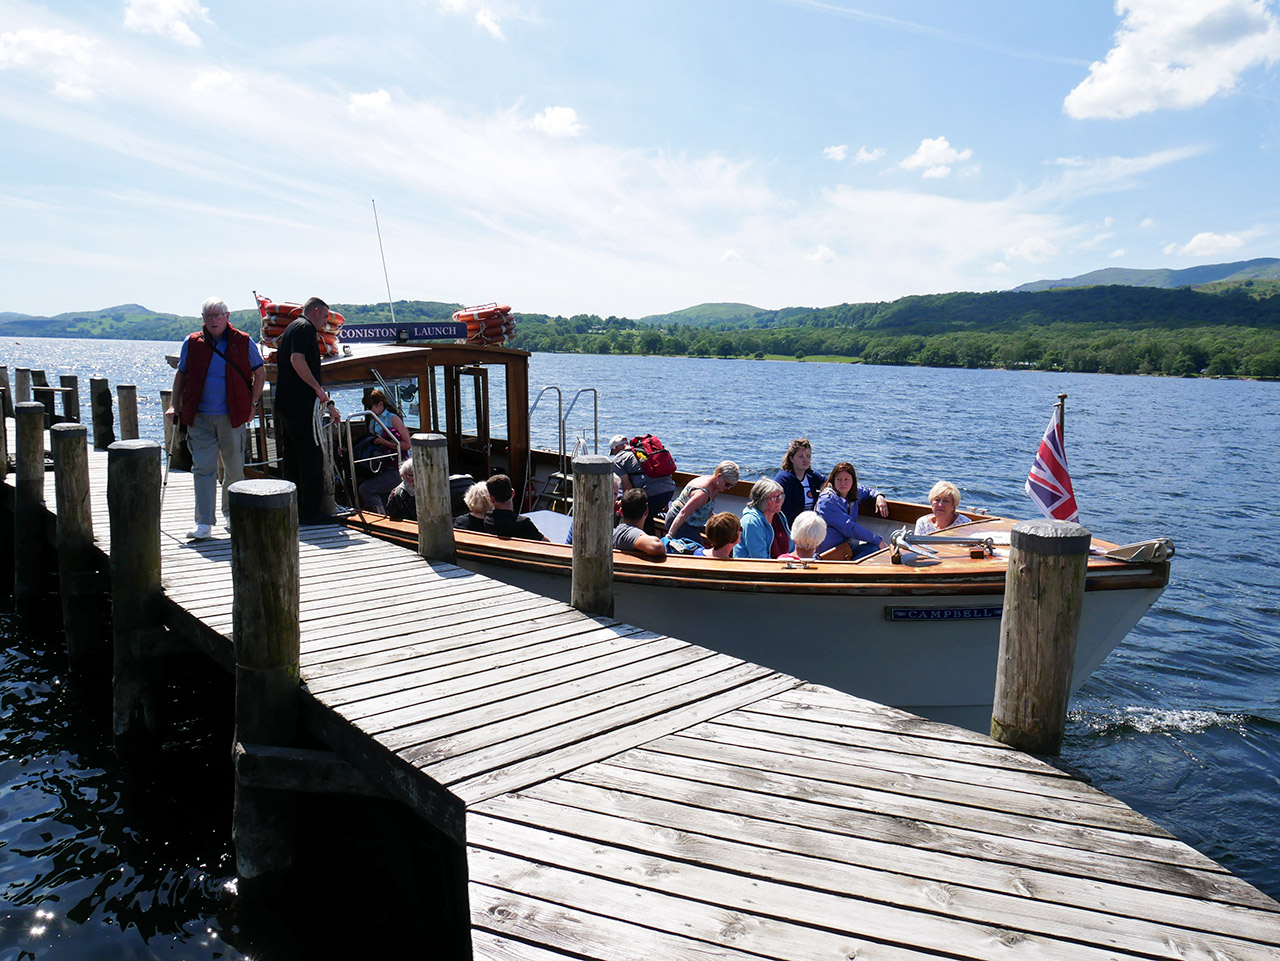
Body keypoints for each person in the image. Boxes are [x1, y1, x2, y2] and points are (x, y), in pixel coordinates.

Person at [165, 297, 265, 540]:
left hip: (232, 416)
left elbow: (260, 371)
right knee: (203, 469)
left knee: (233, 470)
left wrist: (252, 403)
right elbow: (182, 374)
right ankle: (204, 522)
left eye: (218, 315)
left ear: (227, 316)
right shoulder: (192, 342)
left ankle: (231, 514)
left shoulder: (243, 341)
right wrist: (173, 405)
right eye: (208, 316)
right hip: (199, 417)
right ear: (203, 319)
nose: (213, 320)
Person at [275, 296, 341, 524]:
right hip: (300, 404)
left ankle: (294, 507)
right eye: (324, 317)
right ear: (314, 312)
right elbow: (297, 360)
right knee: (310, 456)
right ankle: (310, 512)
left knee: (293, 457)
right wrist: (317, 389)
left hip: (288, 402)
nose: (325, 323)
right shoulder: (304, 328)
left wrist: (327, 402)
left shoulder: (293, 329)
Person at [815, 461, 889, 559]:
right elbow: (849, 527)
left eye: (847, 479)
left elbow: (867, 491)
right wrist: (878, 540)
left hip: (844, 547)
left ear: (853, 481)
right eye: (839, 479)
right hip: (826, 553)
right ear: (833, 480)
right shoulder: (826, 501)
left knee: (873, 549)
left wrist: (879, 496)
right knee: (876, 546)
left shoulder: (852, 493)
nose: (843, 483)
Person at [357, 388, 411, 512]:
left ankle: (381, 519)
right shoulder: (373, 421)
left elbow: (407, 445)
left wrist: (384, 442)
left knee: (366, 489)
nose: (368, 410)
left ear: (380, 404)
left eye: (370, 407)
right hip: (381, 467)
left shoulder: (393, 419)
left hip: (396, 466)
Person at [610, 434, 676, 536]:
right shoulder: (643, 452)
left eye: (612, 452)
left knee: (639, 517)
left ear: (615, 448)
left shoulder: (619, 459)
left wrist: (623, 504)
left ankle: (644, 545)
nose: (613, 454)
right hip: (669, 491)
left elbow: (628, 489)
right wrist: (665, 504)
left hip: (652, 494)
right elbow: (661, 475)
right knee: (648, 514)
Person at [664, 460, 740, 544]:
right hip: (679, 522)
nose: (729, 488)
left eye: (732, 486)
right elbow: (683, 513)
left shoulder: (716, 484)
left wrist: (728, 524)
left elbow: (706, 509)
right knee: (698, 548)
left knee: (719, 536)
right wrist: (670, 536)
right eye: (727, 484)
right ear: (719, 476)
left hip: (694, 522)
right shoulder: (702, 494)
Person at [734, 477, 793, 559]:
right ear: (762, 500)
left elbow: (791, 547)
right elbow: (759, 558)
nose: (779, 501)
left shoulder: (778, 516)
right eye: (774, 498)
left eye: (781, 496)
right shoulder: (751, 522)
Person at [774, 438, 825, 525]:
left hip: (810, 523)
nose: (806, 460)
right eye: (801, 457)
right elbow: (786, 513)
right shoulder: (784, 479)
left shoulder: (810, 475)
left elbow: (829, 483)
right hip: (792, 527)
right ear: (791, 458)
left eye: (808, 456)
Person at [482, 474, 547, 541]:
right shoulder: (524, 524)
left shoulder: (488, 519)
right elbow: (547, 544)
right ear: (513, 493)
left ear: (491, 499)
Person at [613, 488, 666, 557]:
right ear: (646, 512)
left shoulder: (618, 531)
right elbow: (657, 547)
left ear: (621, 512)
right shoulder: (629, 532)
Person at [385, 457, 417, 521]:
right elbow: (397, 519)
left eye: (417, 474)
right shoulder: (397, 495)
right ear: (403, 476)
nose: (415, 478)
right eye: (411, 475)